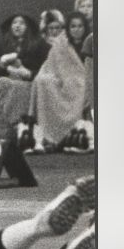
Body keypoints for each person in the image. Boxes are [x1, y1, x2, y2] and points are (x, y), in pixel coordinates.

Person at [33, 11, 93, 153]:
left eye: (80, 26)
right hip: (63, 83)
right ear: (68, 29)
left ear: (85, 28)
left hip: (84, 83)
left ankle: (83, 134)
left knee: (81, 86)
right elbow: (50, 66)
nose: (76, 29)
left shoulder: (91, 43)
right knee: (42, 81)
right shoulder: (61, 44)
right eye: (73, 26)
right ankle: (45, 137)